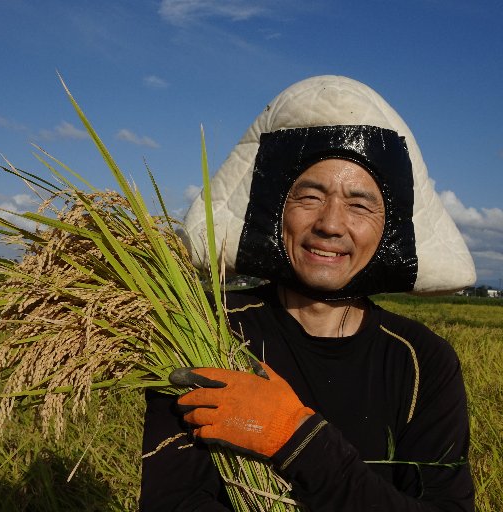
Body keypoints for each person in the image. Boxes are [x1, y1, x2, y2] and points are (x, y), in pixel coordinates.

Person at [140, 76, 476, 511]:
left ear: (387, 229)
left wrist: (295, 438)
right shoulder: (202, 328)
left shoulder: (422, 361)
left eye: (359, 204)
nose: (331, 224)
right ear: (275, 210)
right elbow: (174, 501)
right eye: (309, 196)